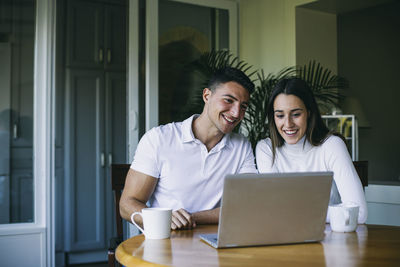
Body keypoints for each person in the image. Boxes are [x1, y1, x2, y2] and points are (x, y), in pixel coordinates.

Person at [120, 67, 258, 230]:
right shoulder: (159, 139)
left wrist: (190, 218)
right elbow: (127, 205)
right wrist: (165, 219)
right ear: (207, 95)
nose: (236, 113)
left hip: (217, 244)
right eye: (228, 100)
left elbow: (246, 206)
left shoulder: (242, 146)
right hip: (165, 243)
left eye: (243, 106)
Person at [255, 78, 367, 223]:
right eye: (280, 115)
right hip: (284, 237)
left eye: (296, 114)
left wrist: (294, 212)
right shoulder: (266, 149)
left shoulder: (332, 145)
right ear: (273, 117)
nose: (288, 124)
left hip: (330, 239)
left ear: (309, 112)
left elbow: (359, 212)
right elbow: (275, 210)